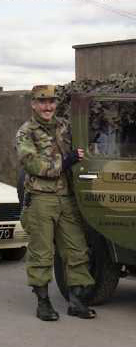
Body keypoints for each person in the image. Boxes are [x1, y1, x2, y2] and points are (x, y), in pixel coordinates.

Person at [16, 85, 96, 321]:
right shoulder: (26, 132)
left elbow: (82, 148)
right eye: (42, 102)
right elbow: (34, 165)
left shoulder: (64, 126)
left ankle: (77, 301)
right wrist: (66, 161)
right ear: (33, 104)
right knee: (42, 253)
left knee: (77, 250)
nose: (47, 106)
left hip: (67, 198)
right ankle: (43, 303)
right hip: (41, 200)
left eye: (51, 101)